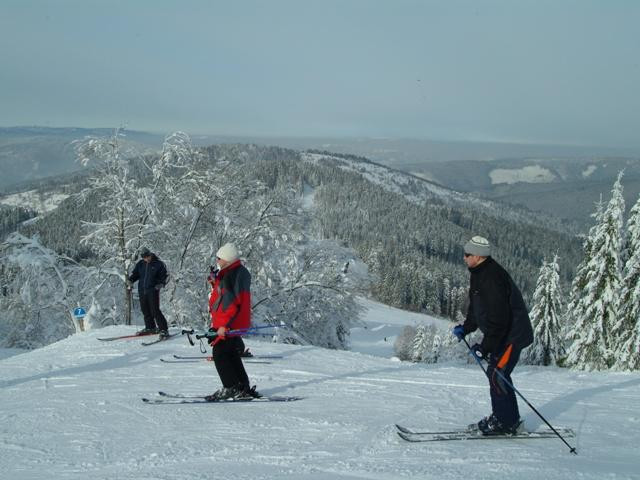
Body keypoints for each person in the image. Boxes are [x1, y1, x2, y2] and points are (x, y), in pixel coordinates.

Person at [452, 235, 533, 435]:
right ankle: (507, 419)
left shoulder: (491, 278)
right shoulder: (479, 273)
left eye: (467, 254)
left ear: (478, 256)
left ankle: (505, 422)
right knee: (498, 374)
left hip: (512, 335)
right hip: (502, 334)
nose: (464, 258)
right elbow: (477, 307)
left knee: (498, 374)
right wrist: (467, 327)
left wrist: (485, 346)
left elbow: (499, 318)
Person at [205, 242, 260, 401]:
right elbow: (227, 295)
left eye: (219, 258)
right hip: (234, 321)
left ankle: (231, 387)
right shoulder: (235, 272)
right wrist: (215, 282)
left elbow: (230, 303)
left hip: (228, 323)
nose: (217, 261)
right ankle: (242, 386)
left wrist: (224, 326)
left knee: (220, 353)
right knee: (230, 353)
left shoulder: (230, 275)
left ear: (227, 259)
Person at [128, 248, 169, 338]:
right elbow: (136, 274)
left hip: (153, 290)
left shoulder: (158, 264)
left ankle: (163, 329)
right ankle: (150, 327)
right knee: (145, 310)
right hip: (142, 290)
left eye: (147, 256)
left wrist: (161, 284)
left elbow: (164, 276)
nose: (146, 259)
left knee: (155, 310)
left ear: (150, 254)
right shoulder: (140, 264)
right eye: (144, 258)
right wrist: (131, 280)